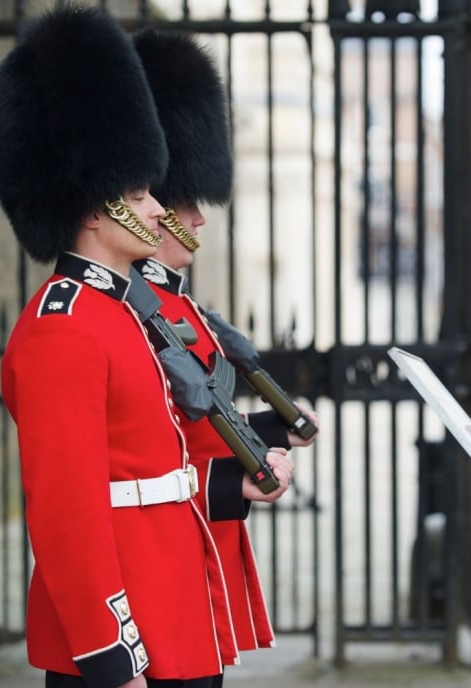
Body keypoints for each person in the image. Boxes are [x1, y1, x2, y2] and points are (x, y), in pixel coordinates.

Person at [0, 8, 289, 687]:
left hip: (175, 616)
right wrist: (109, 652)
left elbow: (155, 467)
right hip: (125, 643)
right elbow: (68, 514)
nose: (159, 208)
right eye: (139, 192)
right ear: (95, 203)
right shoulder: (62, 329)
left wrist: (232, 481)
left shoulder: (122, 315)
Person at [129, 27, 314, 654]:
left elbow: (195, 417)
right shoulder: (125, 310)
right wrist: (229, 485)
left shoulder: (178, 304)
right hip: (164, 549)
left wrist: (270, 433)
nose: (197, 216)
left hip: (199, 540)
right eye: (178, 202)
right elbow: (140, 451)